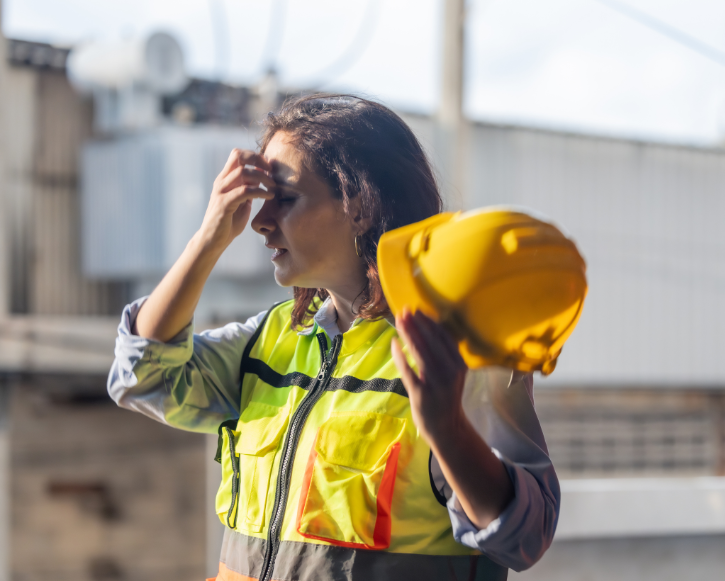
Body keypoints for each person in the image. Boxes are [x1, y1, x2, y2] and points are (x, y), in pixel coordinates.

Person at [108, 94, 559, 581]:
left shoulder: (461, 355)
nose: (259, 222)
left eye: (285, 197)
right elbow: (142, 377)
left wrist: (447, 429)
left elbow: (525, 536)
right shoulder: (270, 340)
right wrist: (209, 237)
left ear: (360, 206)